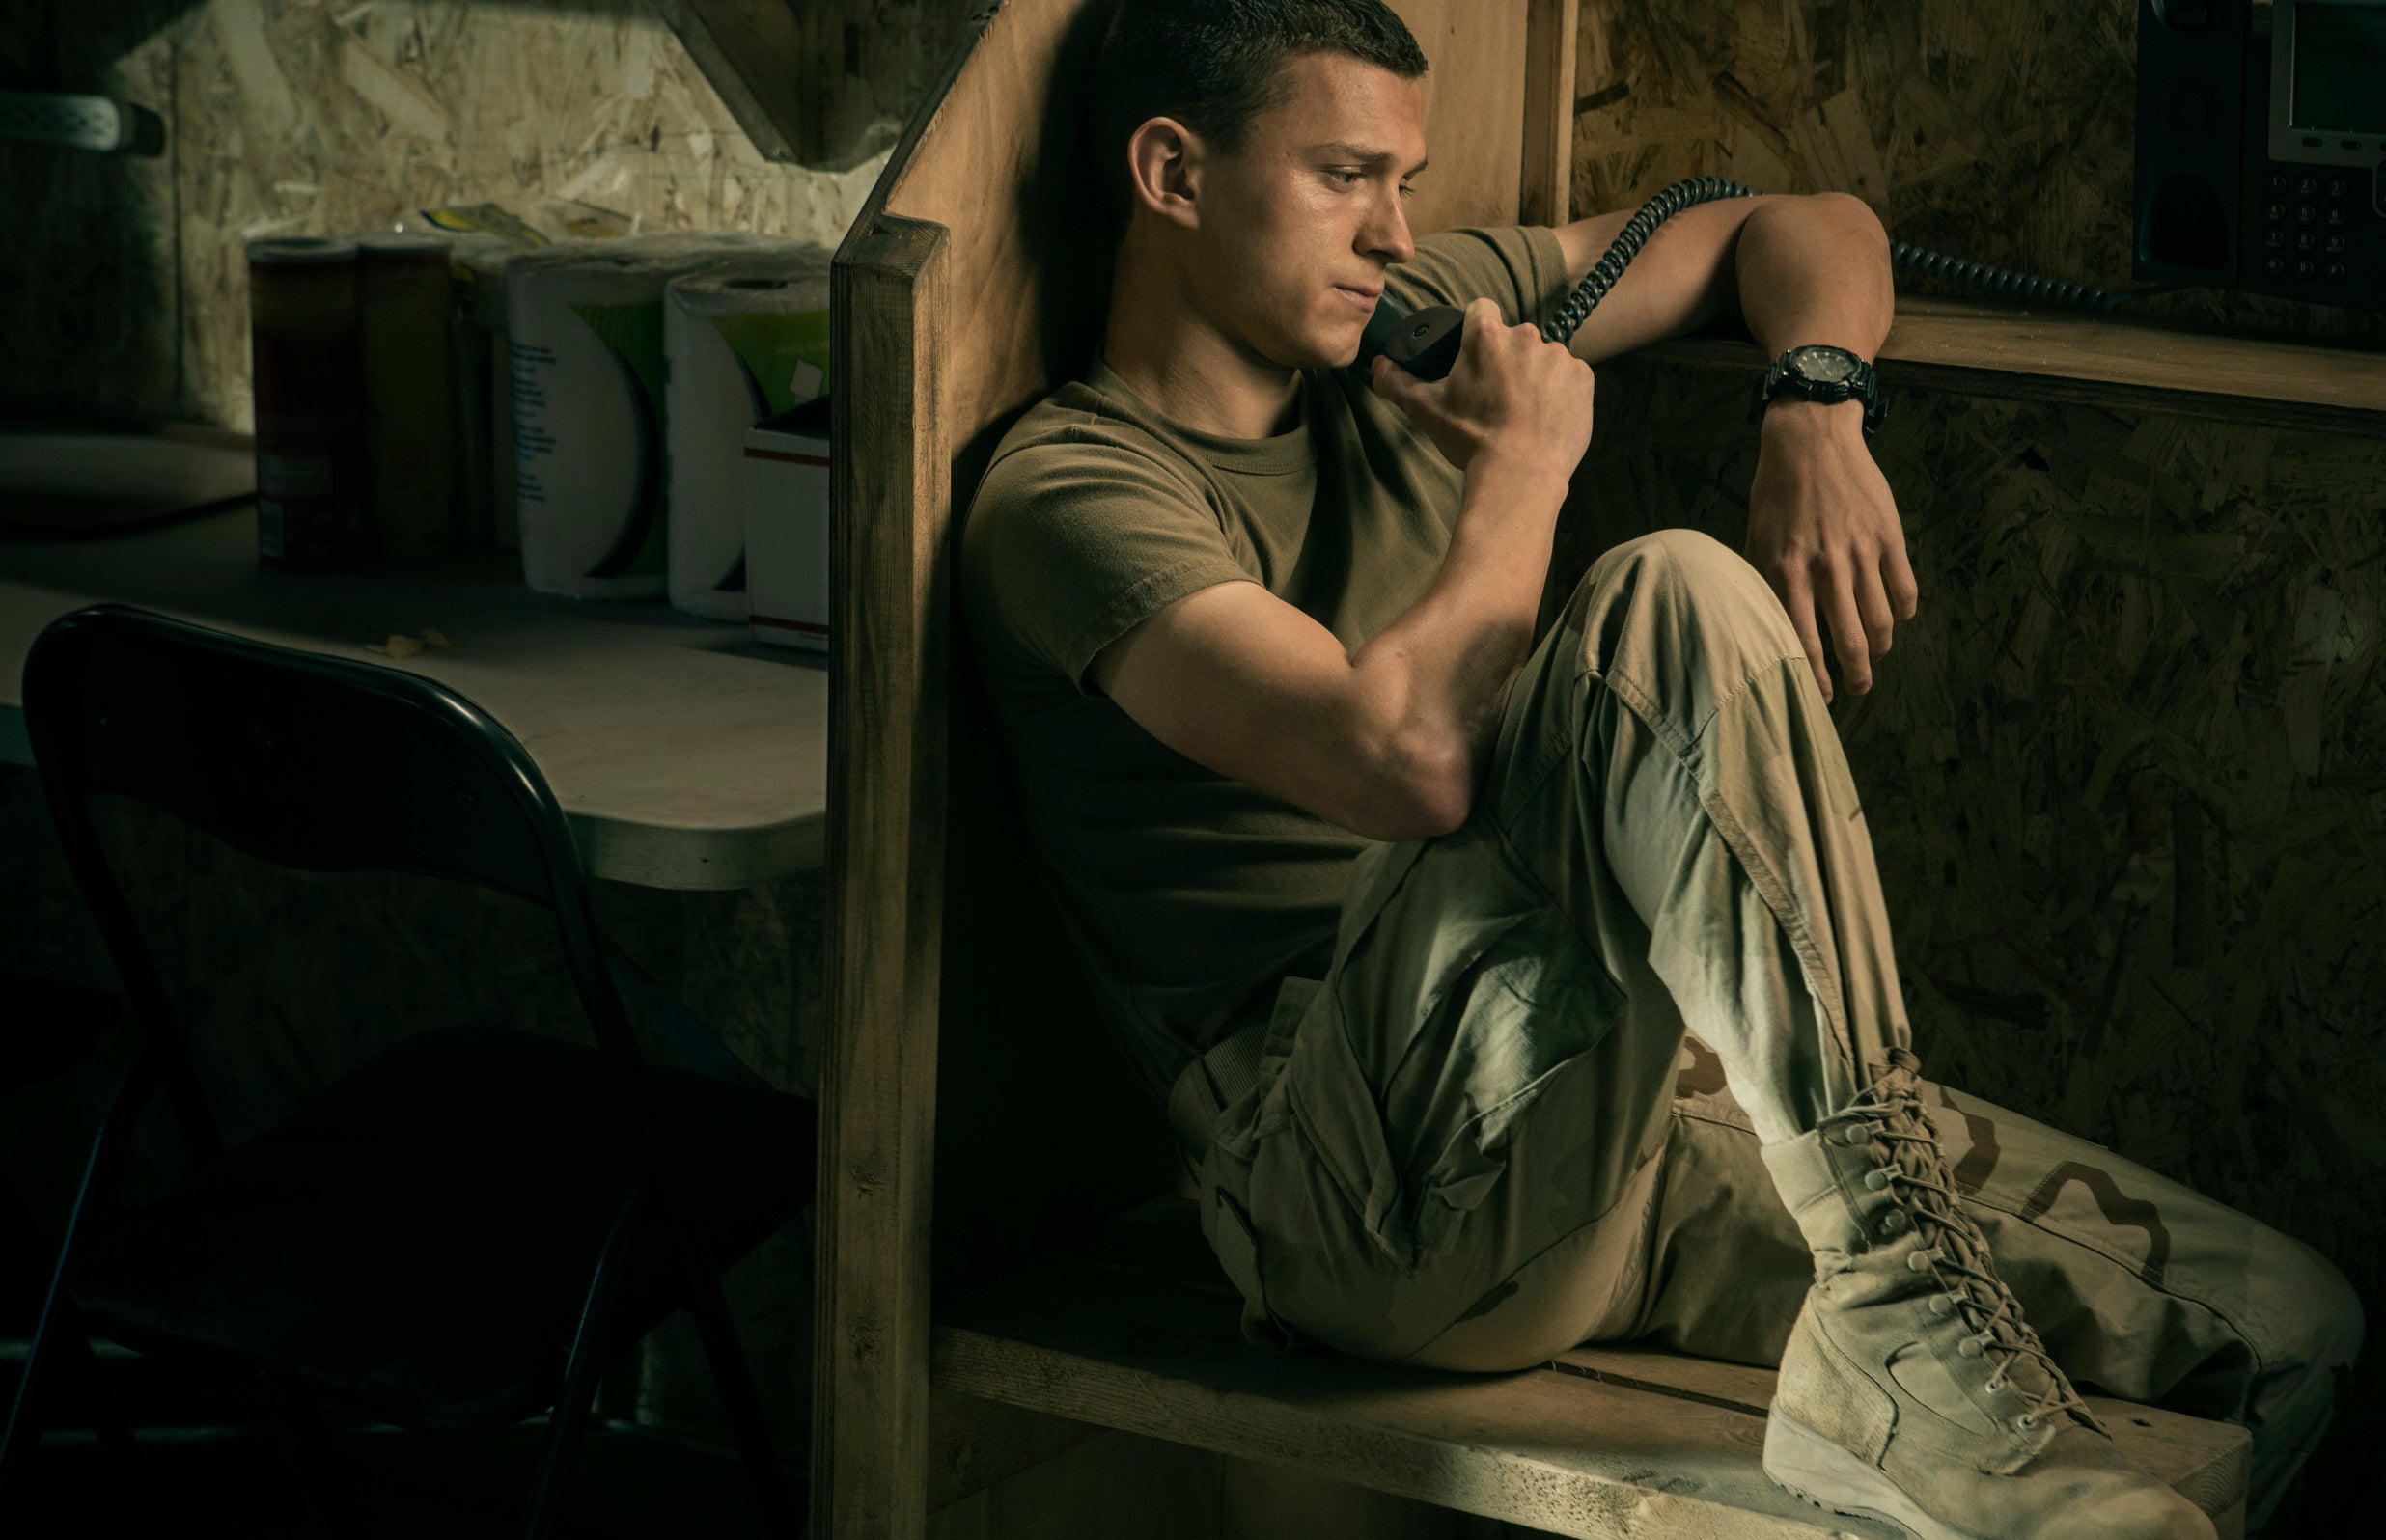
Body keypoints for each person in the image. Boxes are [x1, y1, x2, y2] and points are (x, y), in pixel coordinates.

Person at [957, 3, 2362, 1536]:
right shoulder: (1071, 493)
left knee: (2286, 1328)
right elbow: (1402, 761)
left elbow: (1805, 224)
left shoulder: (1400, 317)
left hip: (1597, 1112)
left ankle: (1898, 1313)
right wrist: (1526, 465)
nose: (1394, 234)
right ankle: (1897, 1317)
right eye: (1343, 177)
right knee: (1669, 593)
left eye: (1405, 183)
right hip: (1348, 1184)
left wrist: (1816, 400)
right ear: (1173, 173)